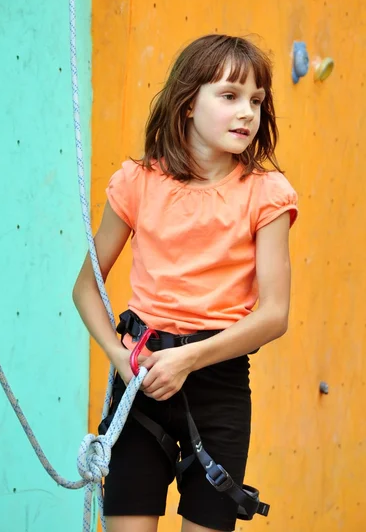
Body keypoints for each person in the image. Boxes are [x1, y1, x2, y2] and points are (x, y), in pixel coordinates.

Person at [72, 34, 298, 532]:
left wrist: (188, 359)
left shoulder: (267, 194)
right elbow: (86, 287)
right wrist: (120, 359)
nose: (247, 113)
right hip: (141, 382)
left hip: (217, 386)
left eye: (257, 101)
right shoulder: (137, 182)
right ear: (188, 102)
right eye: (230, 96)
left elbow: (274, 314)